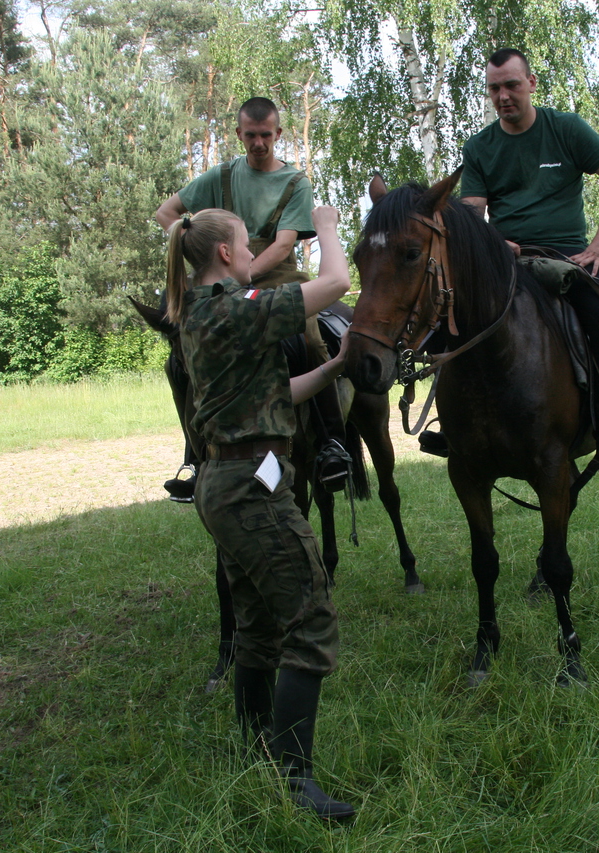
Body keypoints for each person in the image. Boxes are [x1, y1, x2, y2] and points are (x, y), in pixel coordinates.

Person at [166, 205, 356, 820]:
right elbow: (334, 285)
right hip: (251, 486)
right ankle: (296, 781)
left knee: (258, 623)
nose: (253, 254)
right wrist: (324, 225)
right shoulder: (232, 306)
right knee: (311, 616)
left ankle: (254, 752)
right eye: (247, 245)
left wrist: (332, 367)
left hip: (230, 480)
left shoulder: (204, 313)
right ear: (225, 253)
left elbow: (274, 395)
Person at [441, 48, 599, 472]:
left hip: (569, 259)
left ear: (531, 83)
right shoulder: (479, 147)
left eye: (512, 85)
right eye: (494, 88)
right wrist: (495, 242)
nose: (503, 96)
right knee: (453, 314)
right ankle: (453, 424)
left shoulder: (565, 128)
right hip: (508, 263)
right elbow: (473, 213)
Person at [155, 97, 349, 497]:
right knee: (177, 360)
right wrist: (202, 252)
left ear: (278, 134)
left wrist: (241, 280)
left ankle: (332, 440)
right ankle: (195, 454)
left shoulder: (295, 182)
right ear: (239, 134)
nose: (258, 143)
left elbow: (281, 247)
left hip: (276, 277)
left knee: (310, 339)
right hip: (225, 275)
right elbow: (166, 214)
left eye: (265, 135)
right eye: (250, 135)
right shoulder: (220, 175)